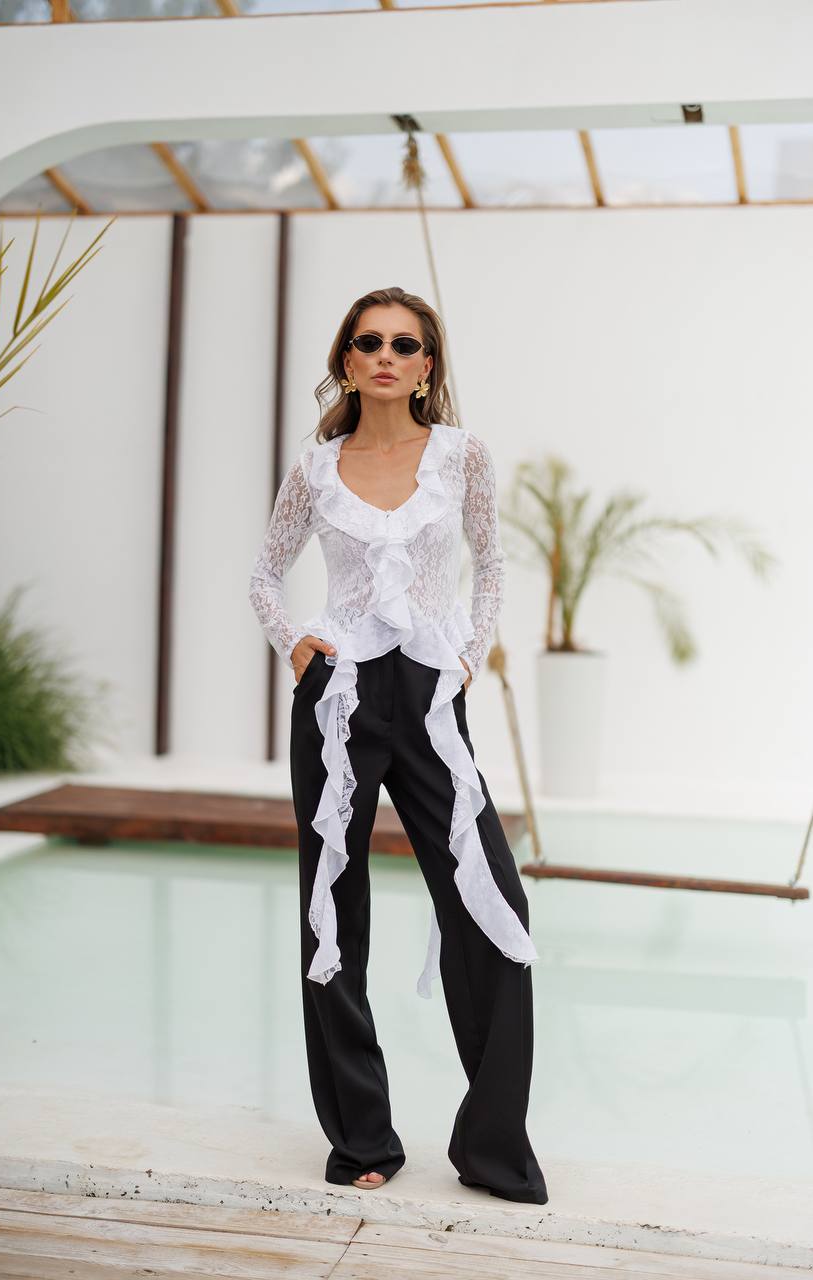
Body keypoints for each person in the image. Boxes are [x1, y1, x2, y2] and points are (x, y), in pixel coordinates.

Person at [248, 285, 548, 1205]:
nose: (386, 355)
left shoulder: (461, 456)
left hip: (427, 693)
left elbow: (490, 564)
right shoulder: (314, 468)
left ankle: (492, 1145)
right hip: (335, 698)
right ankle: (361, 1137)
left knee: (490, 901)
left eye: (405, 344)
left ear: (426, 365)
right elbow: (264, 573)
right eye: (369, 341)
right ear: (347, 360)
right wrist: (294, 643)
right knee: (331, 914)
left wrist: (467, 658)